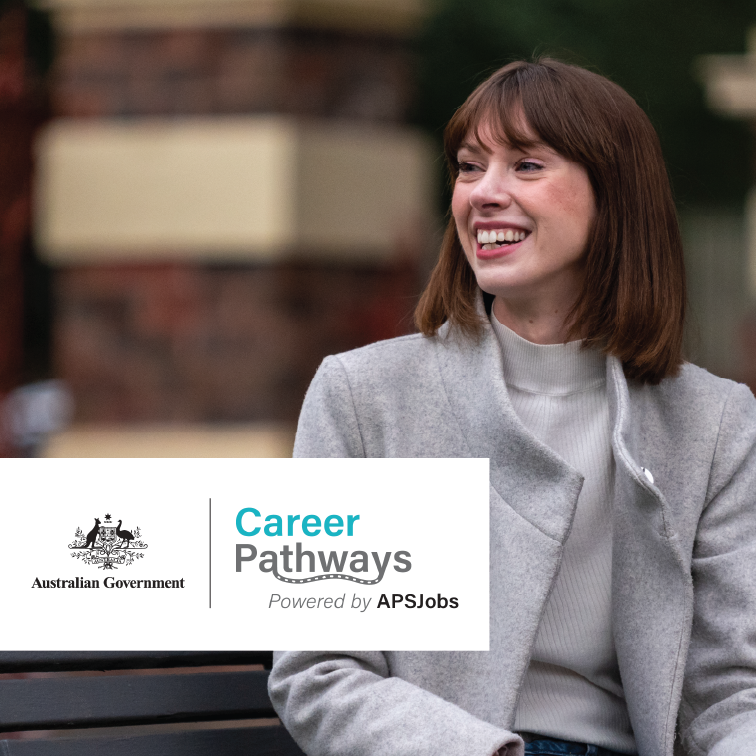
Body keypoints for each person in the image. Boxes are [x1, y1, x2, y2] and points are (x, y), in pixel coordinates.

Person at [268, 58, 756, 756]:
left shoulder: (714, 423)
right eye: (470, 167)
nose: (483, 194)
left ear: (613, 196)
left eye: (526, 166)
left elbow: (733, 695)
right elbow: (320, 672)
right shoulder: (364, 397)